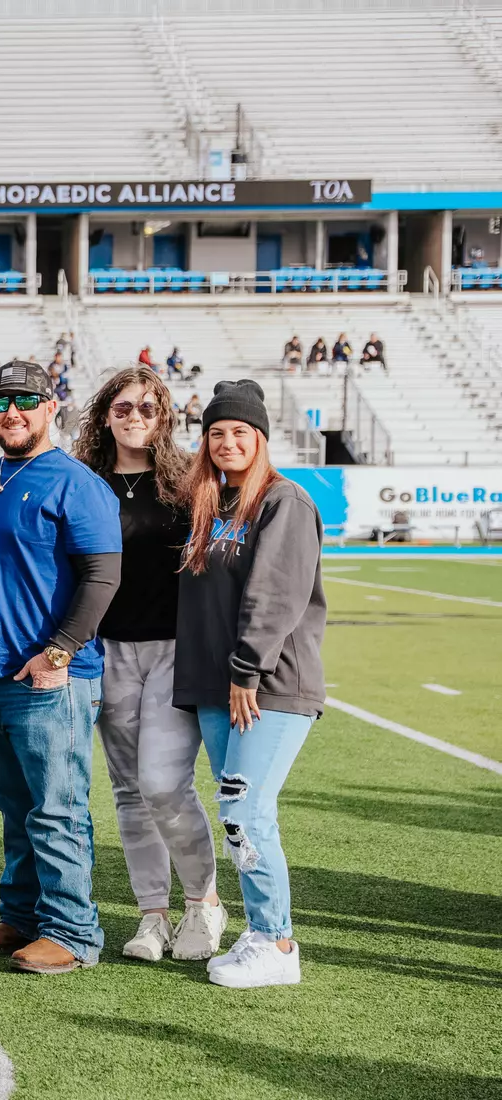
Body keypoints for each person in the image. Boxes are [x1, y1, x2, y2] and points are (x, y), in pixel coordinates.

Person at [0, 360, 122, 975]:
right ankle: (22, 916)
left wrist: (60, 650)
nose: (12, 413)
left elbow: (103, 577)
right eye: (1, 402)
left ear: (51, 408)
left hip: (54, 677)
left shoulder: (76, 483)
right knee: (11, 802)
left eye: (26, 401)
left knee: (55, 806)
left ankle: (73, 932)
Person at [173, 380, 325, 990]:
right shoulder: (212, 508)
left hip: (266, 685)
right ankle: (262, 930)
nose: (227, 442)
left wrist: (247, 671)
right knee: (238, 809)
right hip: (217, 687)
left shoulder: (282, 501)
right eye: (216, 433)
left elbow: (276, 594)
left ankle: (276, 941)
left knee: (244, 811)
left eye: (240, 432)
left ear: (260, 439)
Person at [73, 367, 225, 965]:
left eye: (148, 407)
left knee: (165, 784)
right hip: (106, 649)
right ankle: (152, 916)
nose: (135, 416)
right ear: (105, 414)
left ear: (164, 417)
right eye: (123, 406)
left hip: (173, 648)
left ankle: (203, 901)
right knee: (129, 792)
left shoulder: (189, 481)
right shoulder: (84, 481)